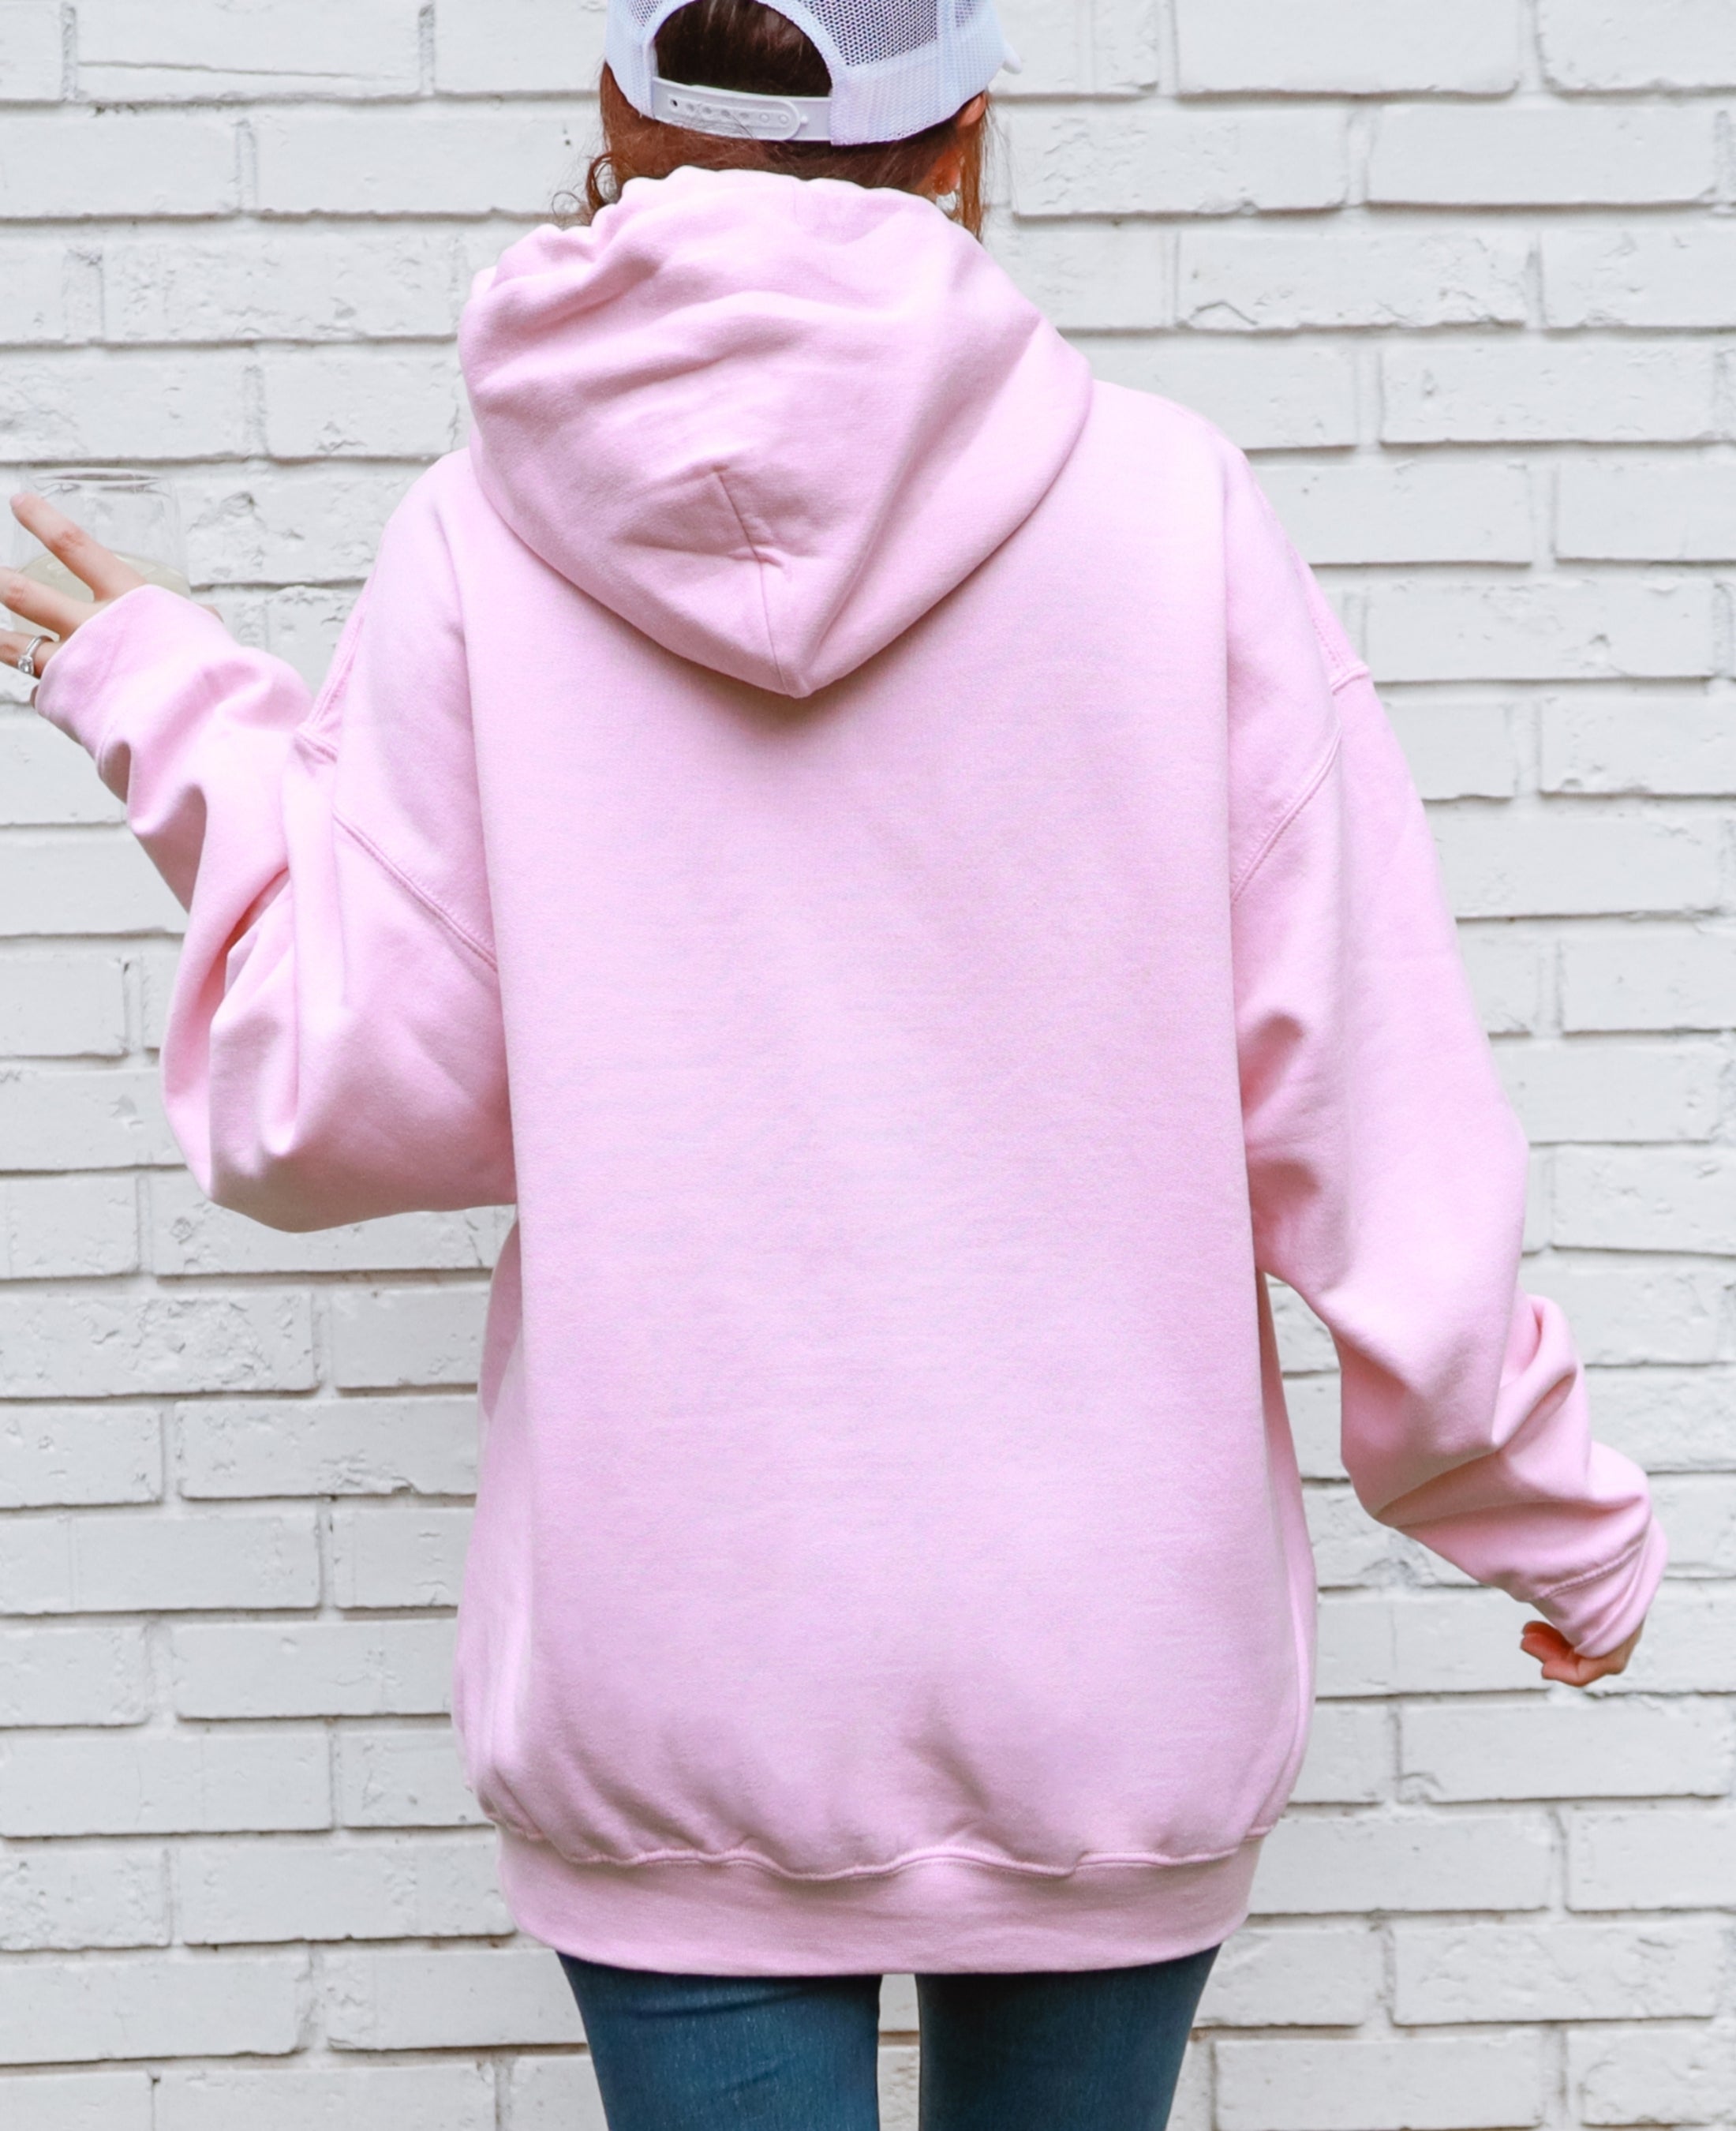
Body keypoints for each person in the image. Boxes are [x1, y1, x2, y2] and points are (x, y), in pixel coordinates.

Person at [2, 2, 1664, 2124]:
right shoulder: (1171, 513)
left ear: (620, 112)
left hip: (678, 1657)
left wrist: (189, 719)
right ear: (961, 139)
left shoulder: (479, 536)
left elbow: (352, 1090)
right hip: (1105, 1662)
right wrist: (1542, 1509)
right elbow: (1361, 1091)